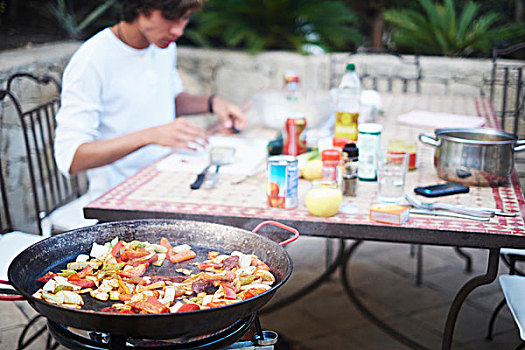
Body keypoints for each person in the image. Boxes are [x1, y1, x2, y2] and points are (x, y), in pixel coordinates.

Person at [54, 0, 247, 199]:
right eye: (170, 17)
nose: (179, 30)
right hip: (118, 199)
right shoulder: (91, 60)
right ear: (140, 7)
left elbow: (166, 99)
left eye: (185, 18)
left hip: (167, 180)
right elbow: (71, 158)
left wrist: (213, 103)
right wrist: (151, 135)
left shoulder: (162, 45)